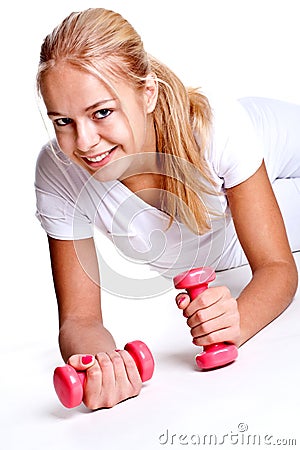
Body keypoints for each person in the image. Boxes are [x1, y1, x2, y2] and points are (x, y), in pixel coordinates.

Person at [35, 7, 299, 410]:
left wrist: (238, 322)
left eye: (102, 112)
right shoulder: (58, 172)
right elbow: (79, 321)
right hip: (230, 243)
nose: (84, 142)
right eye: (62, 121)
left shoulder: (214, 127)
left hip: (280, 148)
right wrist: (103, 366)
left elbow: (278, 269)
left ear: (148, 93)